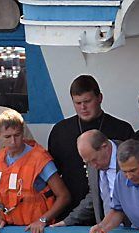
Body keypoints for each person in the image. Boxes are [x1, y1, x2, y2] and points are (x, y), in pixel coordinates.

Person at [47, 75, 134, 218]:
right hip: (71, 210)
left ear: (99, 98)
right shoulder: (60, 131)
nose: (83, 107)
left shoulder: (122, 129)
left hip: (114, 212)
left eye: (87, 101)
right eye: (78, 103)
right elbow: (53, 174)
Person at [0, 111, 70, 233]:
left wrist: (43, 220)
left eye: (17, 135)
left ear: (23, 132)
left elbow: (64, 196)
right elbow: (0, 197)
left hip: (39, 232)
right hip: (10, 231)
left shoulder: (40, 159)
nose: (13, 141)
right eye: (7, 137)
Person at [59, 129, 120, 226]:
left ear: (105, 147)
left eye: (94, 160)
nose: (93, 166)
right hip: (106, 230)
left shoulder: (130, 155)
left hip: (135, 231)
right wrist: (67, 222)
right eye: (87, 162)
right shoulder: (92, 161)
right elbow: (94, 195)